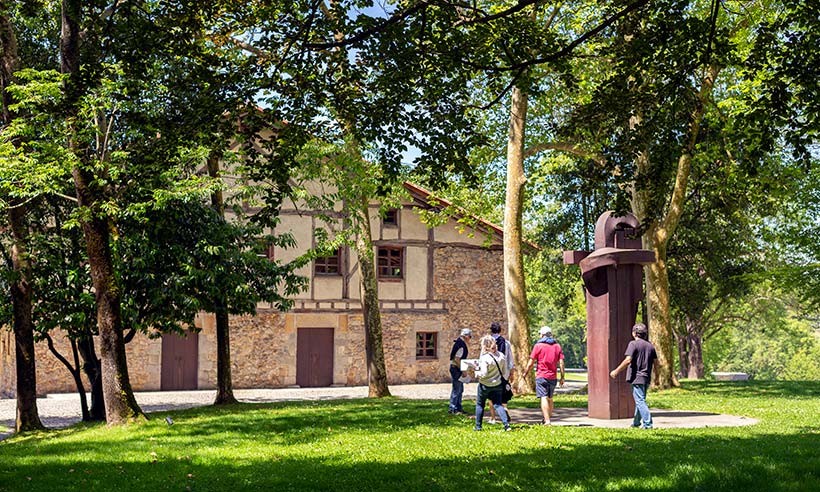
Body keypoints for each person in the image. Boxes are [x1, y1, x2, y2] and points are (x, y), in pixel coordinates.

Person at [609, 322, 659, 429]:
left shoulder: (633, 344)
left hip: (636, 377)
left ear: (634, 333)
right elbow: (656, 364)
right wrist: (657, 377)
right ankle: (636, 423)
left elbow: (628, 360)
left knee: (640, 401)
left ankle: (648, 424)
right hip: (646, 377)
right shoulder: (650, 346)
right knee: (640, 400)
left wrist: (616, 371)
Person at [522, 326, 565, 425]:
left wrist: (526, 372)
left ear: (542, 335)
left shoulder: (538, 346)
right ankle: (547, 418)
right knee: (550, 398)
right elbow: (561, 363)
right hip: (552, 377)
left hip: (541, 375)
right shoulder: (557, 346)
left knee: (543, 397)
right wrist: (562, 377)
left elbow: (531, 362)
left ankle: (547, 421)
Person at [472, 335, 511, 431]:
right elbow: (505, 372)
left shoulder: (485, 358)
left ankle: (478, 426)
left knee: (480, 404)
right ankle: (506, 425)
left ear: (485, 346)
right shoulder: (501, 356)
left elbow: (484, 373)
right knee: (498, 404)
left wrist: (476, 373)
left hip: (485, 385)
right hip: (497, 384)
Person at [488, 321, 514, 424]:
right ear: (500, 330)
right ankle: (505, 410)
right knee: (503, 392)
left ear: (491, 330)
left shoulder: (488, 342)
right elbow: (510, 359)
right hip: (504, 372)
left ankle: (493, 418)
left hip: (491, 372)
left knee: (490, 394)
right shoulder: (506, 343)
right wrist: (511, 372)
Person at [448, 328, 472, 414]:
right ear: (466, 336)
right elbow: (457, 359)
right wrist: (463, 370)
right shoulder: (461, 345)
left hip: (456, 368)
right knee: (456, 389)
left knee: (460, 389)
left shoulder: (459, 343)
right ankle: (453, 408)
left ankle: (458, 408)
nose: (470, 338)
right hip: (456, 369)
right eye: (470, 336)